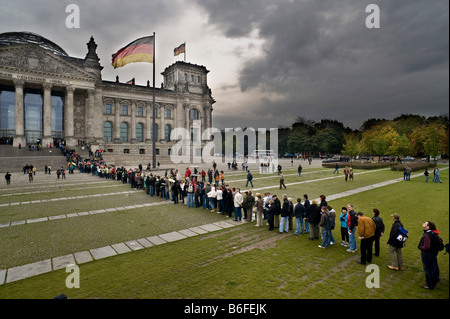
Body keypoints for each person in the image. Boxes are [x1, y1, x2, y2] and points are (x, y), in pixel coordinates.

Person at [418, 221, 441, 289]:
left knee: (427, 269)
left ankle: (430, 284)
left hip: (427, 254)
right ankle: (434, 279)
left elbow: (426, 247)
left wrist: (420, 247)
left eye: (425, 223)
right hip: (433, 252)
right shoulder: (432, 233)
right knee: (433, 266)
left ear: (428, 227)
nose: (423, 223)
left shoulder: (427, 235)